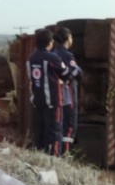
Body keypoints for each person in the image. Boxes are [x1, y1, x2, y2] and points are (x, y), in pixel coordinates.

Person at [28, 28, 69, 156]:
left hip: (38, 101)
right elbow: (66, 74)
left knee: (39, 132)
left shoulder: (31, 58)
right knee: (54, 133)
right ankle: (54, 159)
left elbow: (31, 78)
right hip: (52, 102)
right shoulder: (52, 58)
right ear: (50, 42)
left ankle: (39, 156)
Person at [53, 27, 82, 154]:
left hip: (57, 95)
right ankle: (66, 153)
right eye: (71, 37)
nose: (72, 40)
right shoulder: (66, 54)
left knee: (59, 124)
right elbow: (76, 72)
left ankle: (57, 151)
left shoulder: (53, 53)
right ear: (67, 39)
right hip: (68, 94)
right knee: (70, 125)